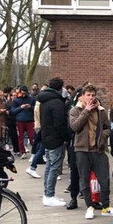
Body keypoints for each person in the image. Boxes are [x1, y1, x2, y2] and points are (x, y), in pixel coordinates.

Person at [69, 84, 113, 219]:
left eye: (93, 95)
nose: (91, 98)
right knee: (84, 178)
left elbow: (108, 127)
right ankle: (89, 206)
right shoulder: (75, 110)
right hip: (82, 149)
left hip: (98, 149)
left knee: (104, 179)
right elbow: (75, 127)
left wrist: (103, 136)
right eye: (88, 95)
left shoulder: (101, 111)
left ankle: (106, 206)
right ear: (82, 96)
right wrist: (86, 111)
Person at [38, 77, 70, 208]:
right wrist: (66, 137)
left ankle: (47, 193)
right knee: (54, 167)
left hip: (46, 136)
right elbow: (60, 124)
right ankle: (49, 195)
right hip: (55, 138)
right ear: (60, 88)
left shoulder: (44, 100)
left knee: (49, 166)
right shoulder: (56, 102)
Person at [10, 85, 36, 159]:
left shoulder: (32, 99)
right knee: (20, 137)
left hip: (30, 120)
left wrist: (29, 107)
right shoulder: (16, 100)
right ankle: (22, 151)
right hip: (20, 120)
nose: (23, 94)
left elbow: (36, 109)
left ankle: (34, 152)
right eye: (22, 93)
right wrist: (20, 108)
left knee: (32, 137)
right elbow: (13, 111)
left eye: (24, 93)